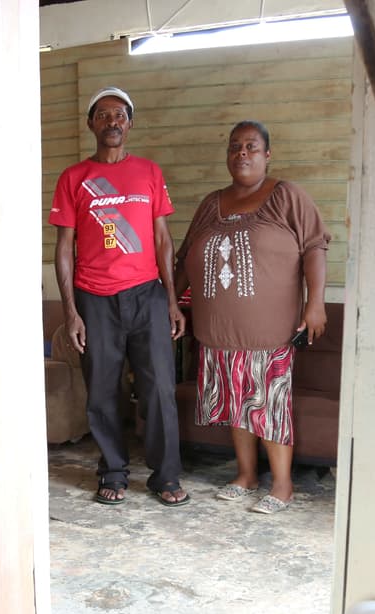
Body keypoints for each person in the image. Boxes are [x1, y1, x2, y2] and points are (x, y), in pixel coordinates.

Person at [174, 120, 331, 514]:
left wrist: (316, 303)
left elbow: (314, 246)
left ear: (267, 154)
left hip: (270, 334)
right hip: (218, 334)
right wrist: (169, 303)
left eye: (251, 146)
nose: (241, 153)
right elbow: (184, 257)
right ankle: (246, 476)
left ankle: (282, 485)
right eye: (234, 147)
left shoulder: (286, 195)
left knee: (268, 406)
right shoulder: (211, 203)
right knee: (235, 405)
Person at [49, 87, 190, 507]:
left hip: (147, 295)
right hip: (94, 298)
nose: (113, 122)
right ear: (91, 123)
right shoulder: (74, 179)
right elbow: (63, 249)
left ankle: (165, 477)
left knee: (160, 389)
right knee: (102, 391)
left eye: (120, 115)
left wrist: (171, 299)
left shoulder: (149, 172)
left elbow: (163, 239)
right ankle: (112, 472)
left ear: (129, 124)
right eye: (104, 115)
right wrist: (71, 311)